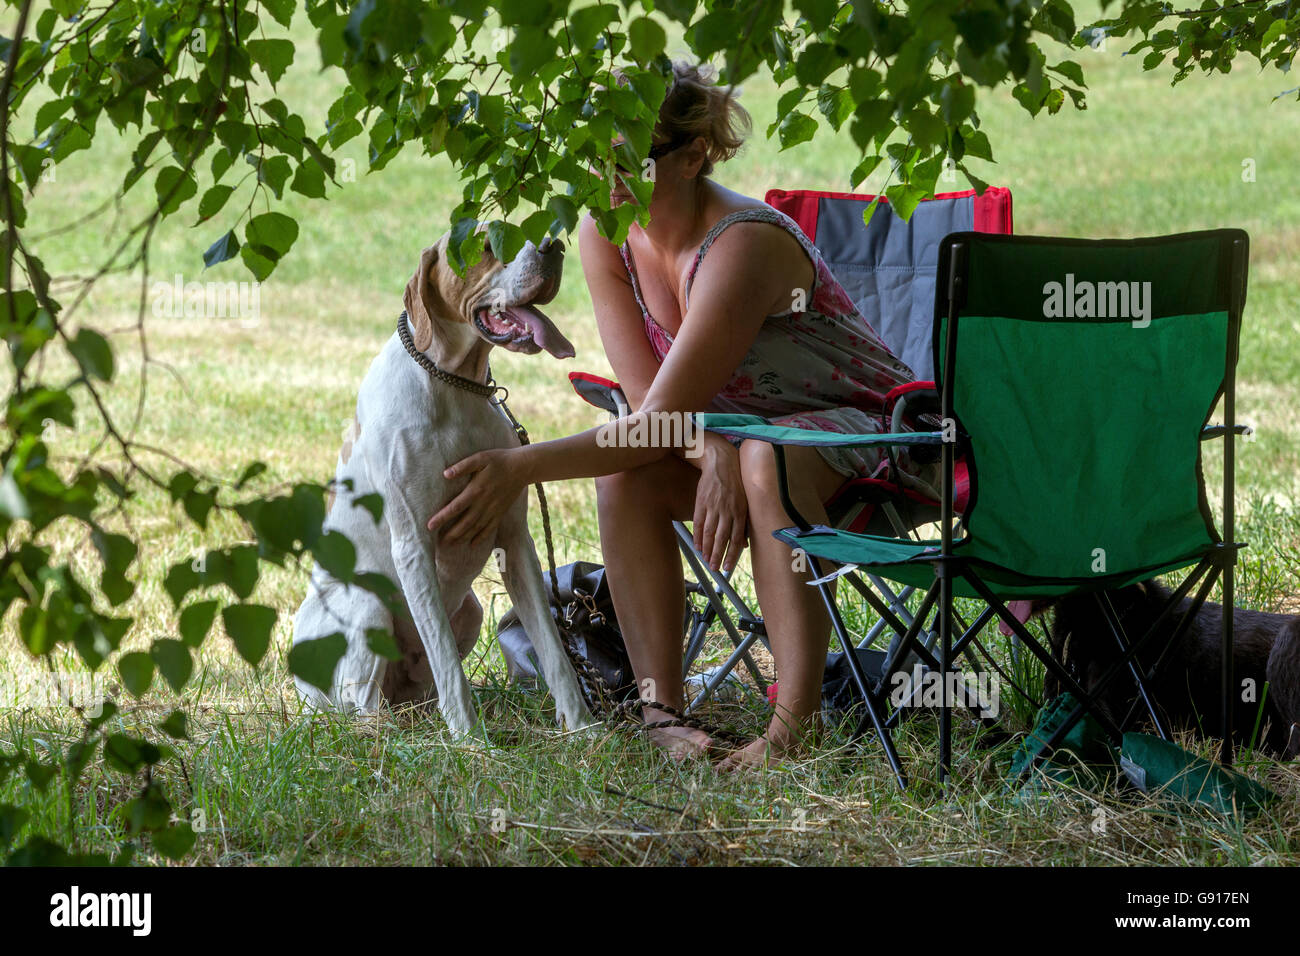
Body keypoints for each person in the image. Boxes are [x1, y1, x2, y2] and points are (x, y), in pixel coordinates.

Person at [428, 62, 927, 769]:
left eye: (627, 158)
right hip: (752, 443)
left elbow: (660, 414)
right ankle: (660, 713)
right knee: (630, 478)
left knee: (762, 459)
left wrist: (522, 466)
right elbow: (646, 408)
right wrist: (712, 445)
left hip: (888, 444)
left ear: (694, 156)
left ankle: (792, 731)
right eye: (590, 155)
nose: (605, 178)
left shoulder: (740, 244)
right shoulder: (608, 233)